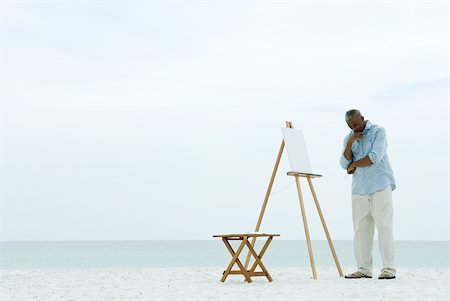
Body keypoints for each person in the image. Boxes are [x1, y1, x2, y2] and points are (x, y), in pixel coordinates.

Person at [340, 109, 397, 280]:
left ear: (362, 119)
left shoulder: (379, 131)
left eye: (356, 124)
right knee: (361, 230)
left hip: (380, 185)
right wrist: (350, 143)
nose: (354, 128)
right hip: (359, 189)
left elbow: (375, 157)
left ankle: (389, 269)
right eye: (350, 126)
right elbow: (344, 163)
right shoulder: (349, 137)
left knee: (384, 227)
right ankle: (364, 269)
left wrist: (354, 164)